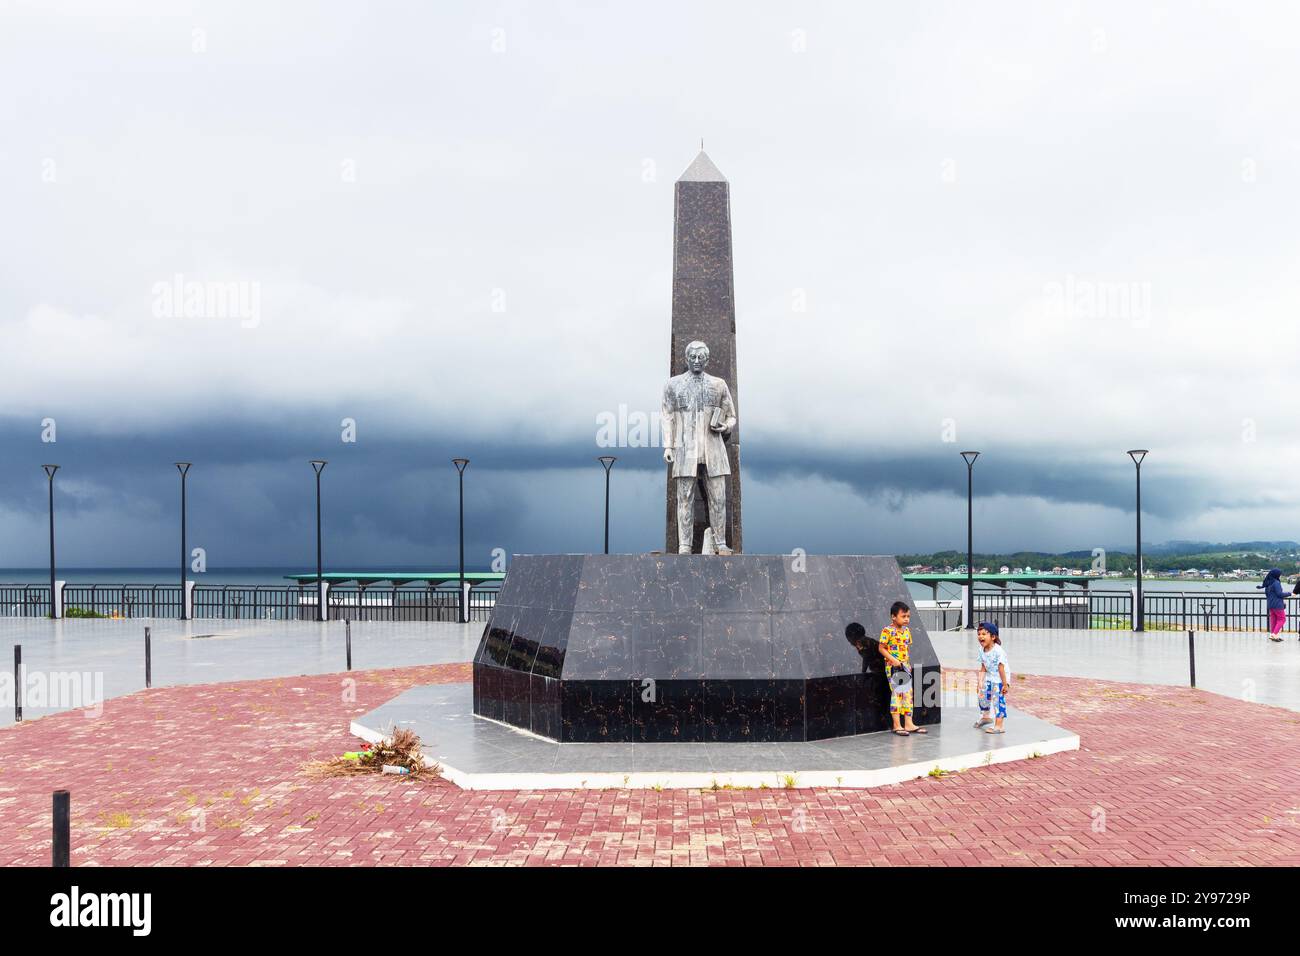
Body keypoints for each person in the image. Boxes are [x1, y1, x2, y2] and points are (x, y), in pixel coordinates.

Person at [662, 340, 737, 555]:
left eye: (700, 358)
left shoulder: (719, 384)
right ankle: (684, 545)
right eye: (692, 357)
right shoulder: (673, 385)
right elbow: (667, 416)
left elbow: (732, 416)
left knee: (719, 498)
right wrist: (668, 446)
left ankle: (720, 543)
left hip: (713, 449)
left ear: (707, 359)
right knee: (684, 497)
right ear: (686, 359)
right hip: (685, 449)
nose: (696, 361)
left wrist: (726, 425)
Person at [878, 600, 927, 736]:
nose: (906, 619)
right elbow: (881, 648)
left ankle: (909, 723)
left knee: (908, 694)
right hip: (893, 667)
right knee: (897, 694)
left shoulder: (906, 631)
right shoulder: (887, 631)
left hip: (904, 666)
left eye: (908, 616)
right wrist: (893, 660)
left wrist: (907, 664)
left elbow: (905, 649)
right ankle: (897, 725)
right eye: (903, 616)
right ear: (893, 616)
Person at [974, 621, 1010, 734]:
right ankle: (985, 717)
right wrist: (980, 683)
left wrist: (1005, 685)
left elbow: (1001, 669)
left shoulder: (998, 651)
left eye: (984, 634)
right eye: (979, 634)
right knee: (983, 696)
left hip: (1000, 678)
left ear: (993, 637)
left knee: (998, 701)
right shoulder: (981, 650)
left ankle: (999, 726)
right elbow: (983, 667)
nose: (980, 637)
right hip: (989, 676)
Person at [1258, 568, 1290, 642]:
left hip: (1270, 604)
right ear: (1277, 575)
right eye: (1279, 575)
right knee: (1282, 619)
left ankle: (1273, 634)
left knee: (1274, 620)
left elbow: (1267, 594)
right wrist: (1290, 593)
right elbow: (1279, 594)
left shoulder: (1268, 583)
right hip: (1277, 605)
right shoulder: (1276, 583)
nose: (1280, 576)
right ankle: (1274, 634)